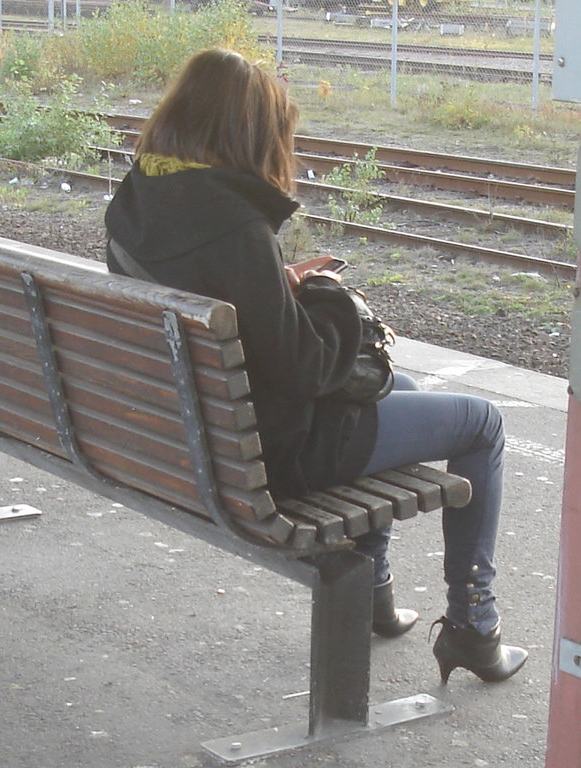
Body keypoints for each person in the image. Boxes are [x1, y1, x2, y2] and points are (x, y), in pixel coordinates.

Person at [104, 48, 526, 684]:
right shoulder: (235, 226)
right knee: (482, 423)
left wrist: (275, 284)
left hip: (197, 432)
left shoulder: (139, 199)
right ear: (246, 134)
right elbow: (304, 368)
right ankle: (474, 623)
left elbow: (222, 300)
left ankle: (374, 594)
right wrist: (335, 307)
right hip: (271, 454)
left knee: (402, 389)